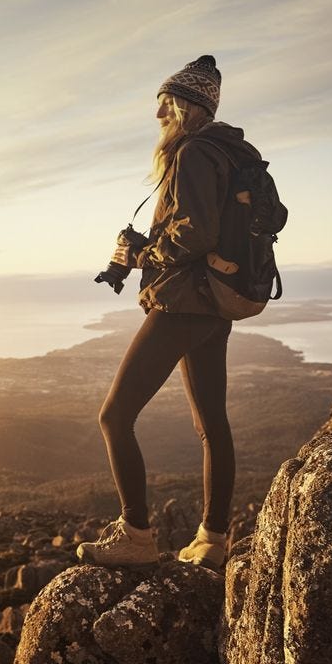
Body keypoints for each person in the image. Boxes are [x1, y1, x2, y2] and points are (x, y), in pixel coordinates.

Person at [77, 55, 265, 570]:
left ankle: (136, 536)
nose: (158, 112)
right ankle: (213, 539)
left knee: (114, 416)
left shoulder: (196, 153)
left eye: (166, 102)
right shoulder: (226, 152)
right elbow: (200, 227)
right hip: (212, 305)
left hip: (184, 301)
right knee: (212, 426)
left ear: (188, 106)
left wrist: (143, 254)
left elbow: (197, 233)